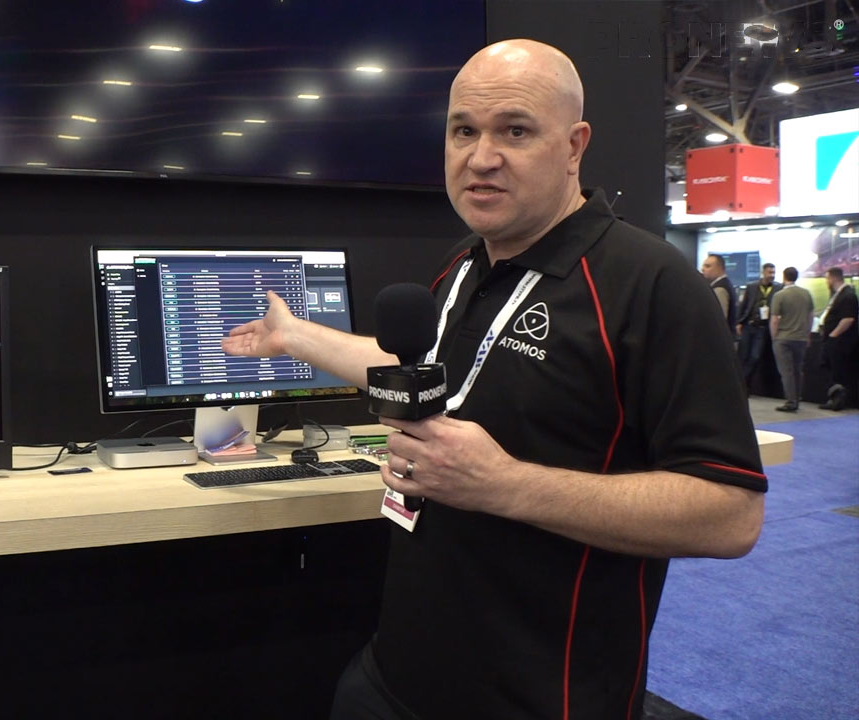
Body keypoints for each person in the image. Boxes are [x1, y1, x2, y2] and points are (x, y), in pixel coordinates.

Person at [222, 39, 765, 720]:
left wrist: (503, 484)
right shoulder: (463, 265)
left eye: (515, 131)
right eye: (463, 131)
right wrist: (294, 337)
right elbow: (427, 375)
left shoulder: (651, 285)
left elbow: (731, 515)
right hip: (397, 675)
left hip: (540, 698)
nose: (481, 157)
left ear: (574, 146)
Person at [769, 267, 813, 412]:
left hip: (783, 337)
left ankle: (790, 401)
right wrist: (807, 333)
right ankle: (797, 398)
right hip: (800, 337)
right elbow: (810, 316)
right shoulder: (806, 294)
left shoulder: (779, 295)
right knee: (797, 370)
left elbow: (774, 319)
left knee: (786, 371)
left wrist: (774, 337)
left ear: (784, 277)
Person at [818, 266, 858, 410]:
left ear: (833, 278)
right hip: (834, 340)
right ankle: (834, 398)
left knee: (837, 371)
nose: (826, 282)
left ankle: (838, 400)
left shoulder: (847, 295)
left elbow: (848, 319)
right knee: (830, 369)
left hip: (839, 341)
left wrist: (833, 335)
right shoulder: (839, 294)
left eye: (827, 278)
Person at [736, 263, 781, 390]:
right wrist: (739, 322)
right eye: (769, 272)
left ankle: (743, 384)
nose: (772, 275)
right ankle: (741, 385)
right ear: (763, 272)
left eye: (773, 273)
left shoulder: (778, 288)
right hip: (748, 325)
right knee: (743, 356)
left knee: (755, 357)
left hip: (763, 328)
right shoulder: (752, 286)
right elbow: (744, 304)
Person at [701, 253, 738, 337]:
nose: (702, 269)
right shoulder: (725, 284)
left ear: (719, 268)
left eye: (708, 266)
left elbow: (718, 321)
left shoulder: (720, 289)